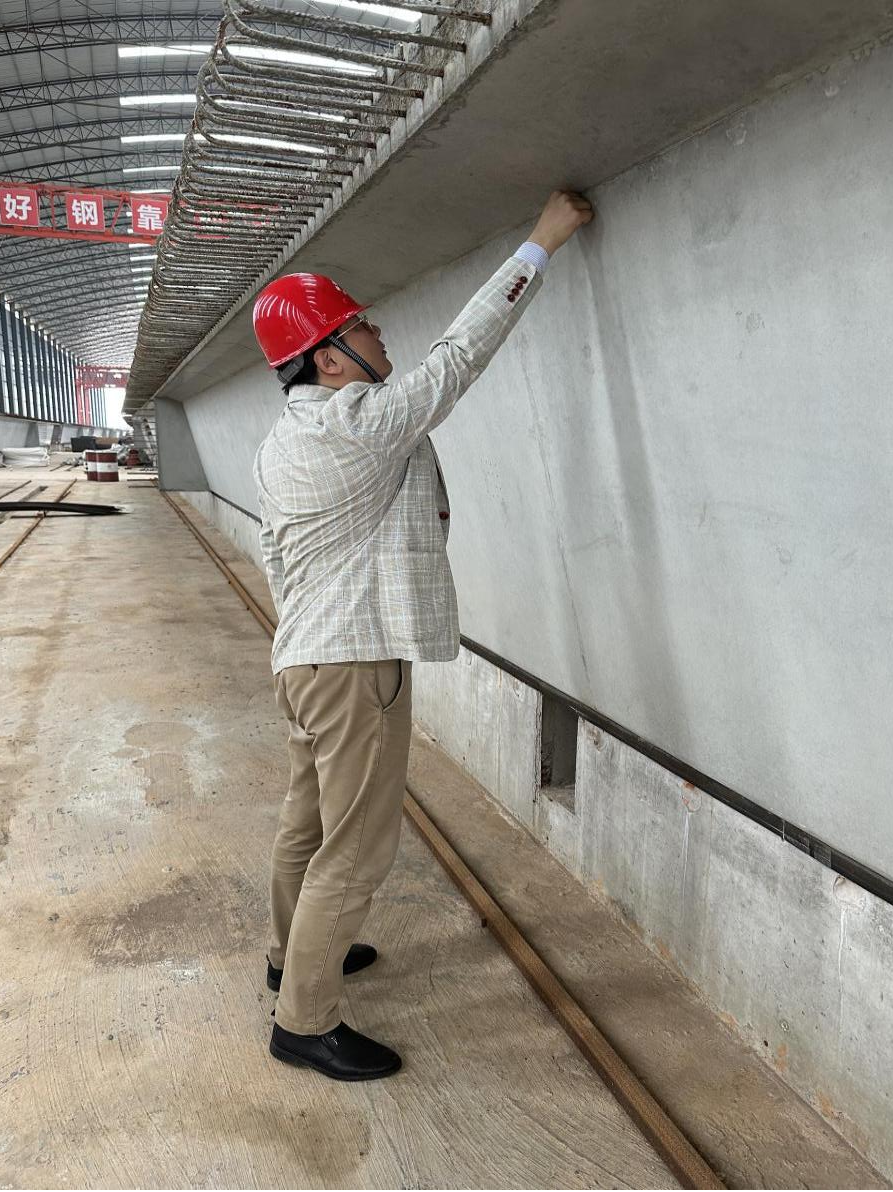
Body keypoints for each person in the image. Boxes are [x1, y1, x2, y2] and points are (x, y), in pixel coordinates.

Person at [252, 190, 594, 1081]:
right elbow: (456, 360)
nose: (380, 334)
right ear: (329, 358)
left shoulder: (282, 439)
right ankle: (304, 1021)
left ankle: (292, 958)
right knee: (357, 846)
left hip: (304, 659)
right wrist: (538, 245)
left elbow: (272, 553)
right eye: (362, 326)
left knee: (307, 822)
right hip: (352, 666)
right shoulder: (359, 422)